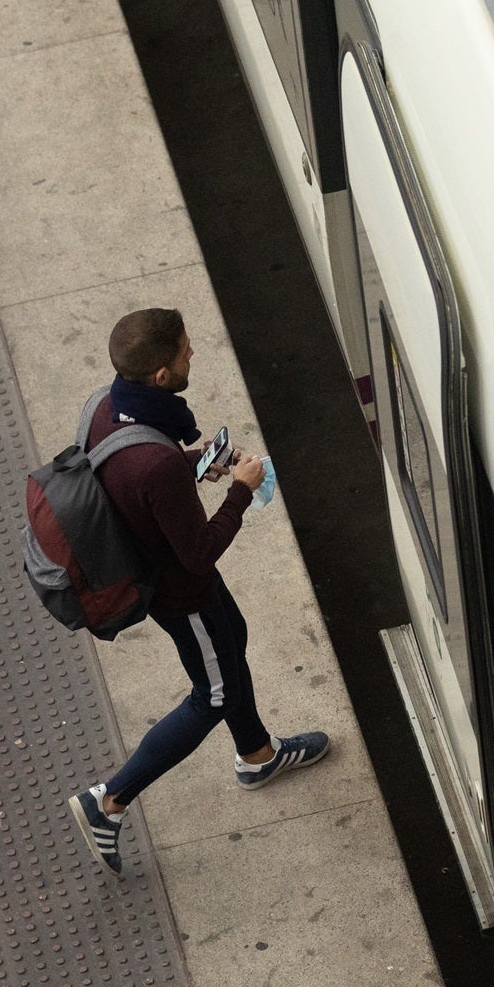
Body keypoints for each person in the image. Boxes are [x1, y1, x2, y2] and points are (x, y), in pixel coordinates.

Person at [68, 308, 329, 875]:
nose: (194, 355)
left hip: (167, 565)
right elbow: (199, 551)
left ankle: (258, 754)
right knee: (212, 692)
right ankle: (108, 800)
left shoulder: (104, 406)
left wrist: (197, 462)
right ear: (161, 375)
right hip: (178, 592)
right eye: (186, 352)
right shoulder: (155, 464)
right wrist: (240, 489)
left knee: (232, 638)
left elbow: (132, 473)